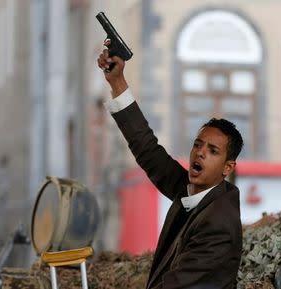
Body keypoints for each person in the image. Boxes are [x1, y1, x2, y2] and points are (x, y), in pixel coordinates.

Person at [97, 47, 244, 289]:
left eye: (213, 151)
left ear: (228, 167)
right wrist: (117, 81)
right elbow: (148, 150)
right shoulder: (192, 192)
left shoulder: (218, 224)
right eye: (198, 144)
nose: (200, 152)